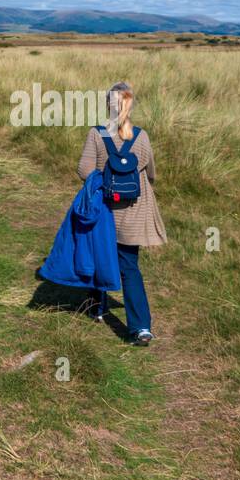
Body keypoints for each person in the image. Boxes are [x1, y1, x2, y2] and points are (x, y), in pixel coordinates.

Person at [76, 81, 166, 345]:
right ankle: (140, 327)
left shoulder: (97, 134)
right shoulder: (142, 136)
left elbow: (84, 170)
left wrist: (103, 181)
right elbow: (151, 172)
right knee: (129, 266)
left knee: (99, 255)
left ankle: (97, 306)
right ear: (130, 104)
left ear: (108, 105)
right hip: (135, 209)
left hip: (104, 207)